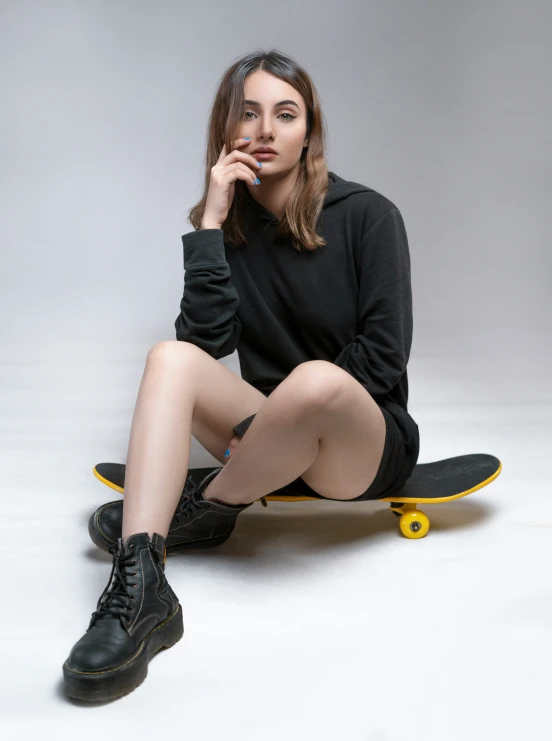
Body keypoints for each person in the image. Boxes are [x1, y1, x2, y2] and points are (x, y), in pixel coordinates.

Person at [63, 48, 420, 702]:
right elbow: (201, 347)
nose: (265, 130)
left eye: (285, 114)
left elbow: (383, 358)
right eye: (248, 113)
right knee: (167, 361)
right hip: (265, 433)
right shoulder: (227, 229)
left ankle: (211, 504)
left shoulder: (370, 215)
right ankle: (140, 588)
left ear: (308, 130)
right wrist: (209, 222)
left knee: (315, 381)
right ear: (225, 130)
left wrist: (274, 424)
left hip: (357, 439)